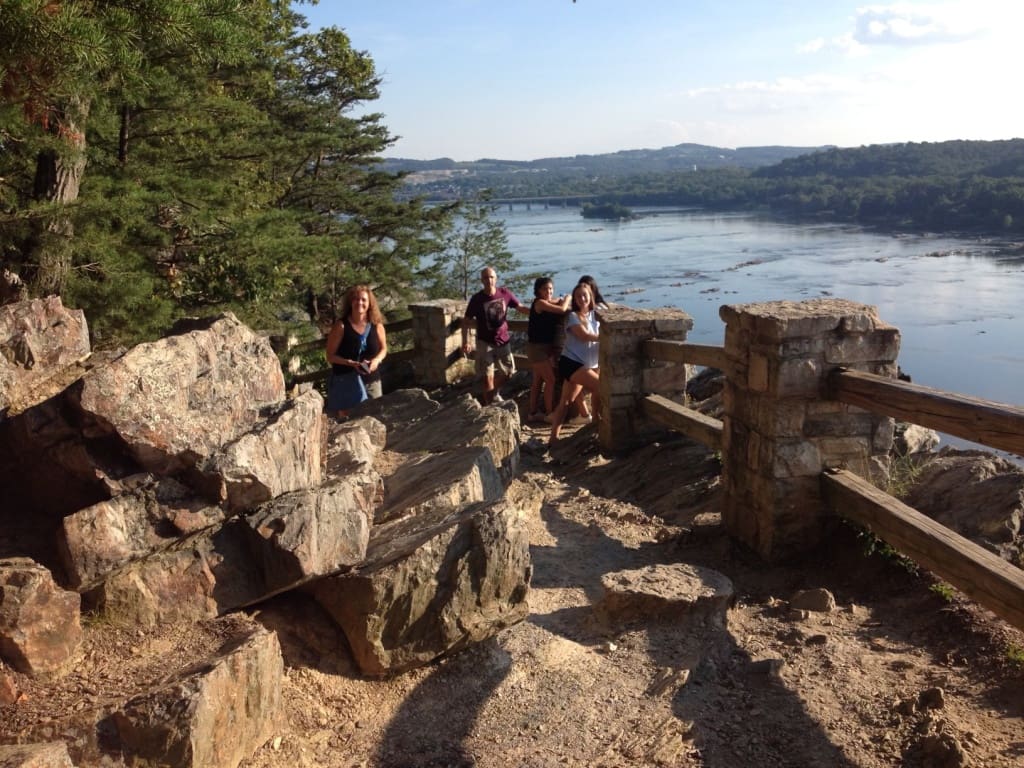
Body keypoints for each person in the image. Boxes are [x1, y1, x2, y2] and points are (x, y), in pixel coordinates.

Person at [461, 267, 527, 405]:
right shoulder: (477, 299)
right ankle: (491, 407)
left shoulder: (505, 293)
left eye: (491, 277)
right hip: (485, 343)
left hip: (503, 341)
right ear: (481, 280)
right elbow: (466, 321)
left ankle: (493, 393)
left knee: (509, 372)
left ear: (496, 279)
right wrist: (465, 341)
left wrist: (539, 311)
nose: (489, 280)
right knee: (487, 378)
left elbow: (520, 307)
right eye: (485, 277)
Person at [547, 282, 601, 444]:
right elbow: (584, 336)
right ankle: (596, 423)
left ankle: (553, 437)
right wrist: (606, 336)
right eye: (578, 296)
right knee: (600, 386)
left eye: (585, 295)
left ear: (590, 296)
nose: (582, 298)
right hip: (572, 363)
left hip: (587, 364)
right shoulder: (573, 317)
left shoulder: (595, 316)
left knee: (565, 402)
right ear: (575, 299)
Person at [325, 284, 387, 419]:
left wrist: (376, 360)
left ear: (370, 303)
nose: (359, 302)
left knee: (373, 416)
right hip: (346, 380)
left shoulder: (376, 325)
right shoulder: (341, 326)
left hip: (371, 379)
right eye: (356, 299)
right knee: (348, 420)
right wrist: (349, 363)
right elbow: (330, 356)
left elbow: (383, 349)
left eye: (363, 299)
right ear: (350, 302)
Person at [525, 277, 571, 421]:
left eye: (550, 288)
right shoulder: (540, 303)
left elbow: (557, 302)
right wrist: (568, 297)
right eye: (545, 289)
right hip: (537, 349)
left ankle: (532, 413)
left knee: (538, 381)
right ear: (538, 291)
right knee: (550, 380)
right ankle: (550, 414)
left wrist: (561, 299)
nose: (549, 291)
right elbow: (562, 309)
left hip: (541, 348)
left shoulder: (547, 302)